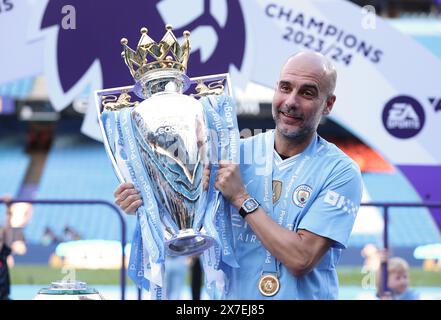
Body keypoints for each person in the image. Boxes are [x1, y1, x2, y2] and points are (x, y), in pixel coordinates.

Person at [114, 51, 363, 299]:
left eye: (307, 92)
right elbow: (190, 237)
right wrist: (149, 204)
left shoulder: (340, 171)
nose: (291, 101)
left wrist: (242, 198)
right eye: (285, 88)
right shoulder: (233, 155)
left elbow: (301, 259)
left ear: (328, 104)